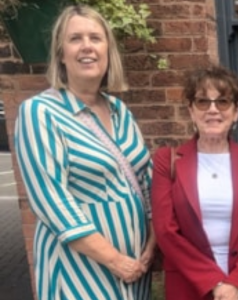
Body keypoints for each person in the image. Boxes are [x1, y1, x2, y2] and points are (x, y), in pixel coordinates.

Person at [14, 5, 155, 299]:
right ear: (61, 53)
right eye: (75, 38)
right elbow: (51, 201)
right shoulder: (40, 112)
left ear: (108, 51)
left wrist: (152, 243)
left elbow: (146, 179)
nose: (87, 46)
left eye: (96, 38)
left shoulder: (120, 111)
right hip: (80, 270)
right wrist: (116, 261)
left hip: (135, 268)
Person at [150, 66, 238, 300]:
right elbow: (166, 231)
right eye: (202, 102)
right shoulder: (166, 161)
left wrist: (237, 283)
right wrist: (214, 282)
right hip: (189, 285)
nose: (212, 110)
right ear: (191, 110)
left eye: (223, 102)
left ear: (236, 111)